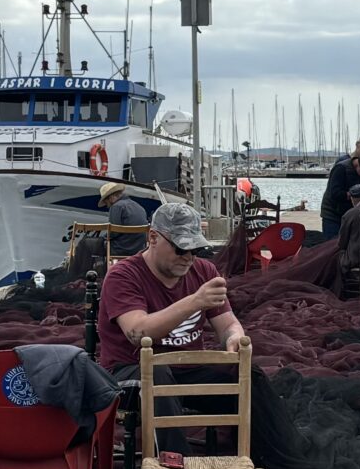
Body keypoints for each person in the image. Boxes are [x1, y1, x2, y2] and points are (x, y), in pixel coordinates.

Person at [97, 202, 248, 452]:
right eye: (181, 249)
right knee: (158, 374)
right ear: (153, 237)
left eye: (196, 250)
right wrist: (194, 301)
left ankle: (261, 462)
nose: (188, 258)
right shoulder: (122, 275)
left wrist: (235, 338)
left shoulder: (204, 271)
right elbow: (138, 332)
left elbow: (228, 324)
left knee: (248, 377)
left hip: (188, 370)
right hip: (130, 372)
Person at [319, 134, 360, 238]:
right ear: (358, 145)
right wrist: (353, 195)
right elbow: (334, 193)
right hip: (333, 215)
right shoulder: (341, 166)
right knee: (332, 246)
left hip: (349, 215)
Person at [100, 181, 148, 259]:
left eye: (106, 202)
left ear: (111, 198)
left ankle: (83, 270)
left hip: (120, 248)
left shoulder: (116, 206)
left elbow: (114, 232)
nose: (107, 206)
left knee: (87, 244)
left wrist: (103, 237)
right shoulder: (139, 206)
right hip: (139, 250)